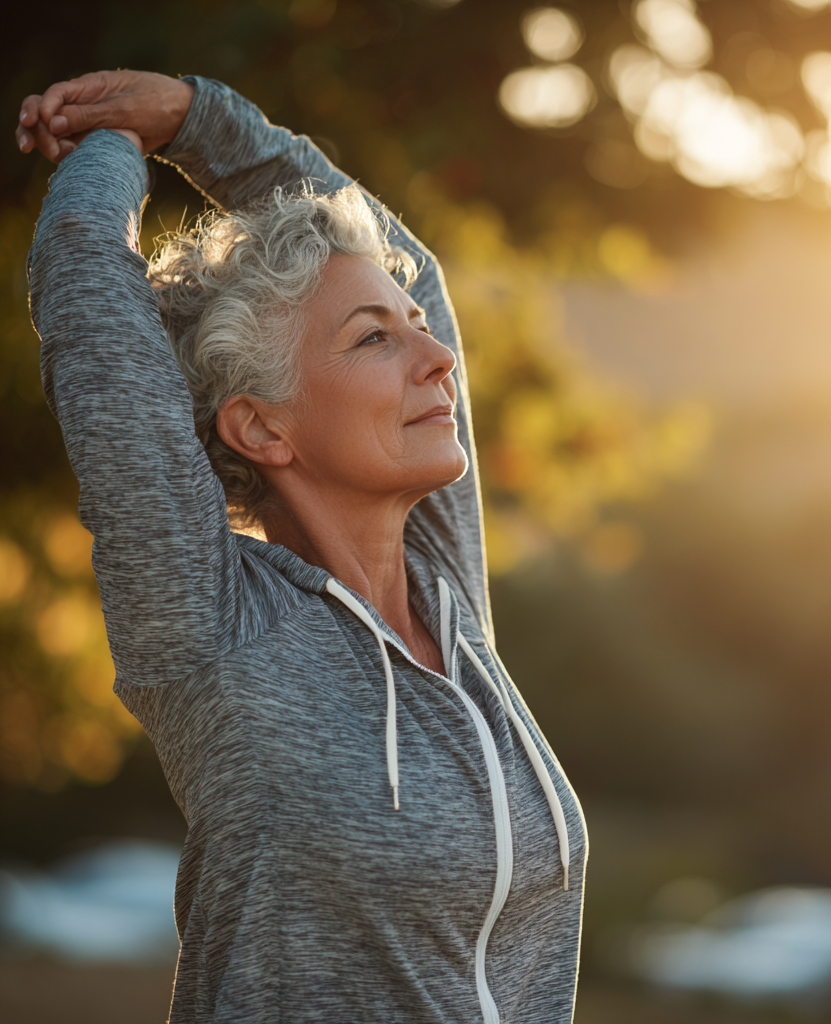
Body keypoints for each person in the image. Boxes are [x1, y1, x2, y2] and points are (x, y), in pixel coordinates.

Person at [17, 69, 587, 1024]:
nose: (437, 356)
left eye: (414, 331)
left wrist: (202, 120)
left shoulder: (447, 601)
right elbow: (86, 278)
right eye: (374, 339)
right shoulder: (213, 625)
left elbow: (417, 270)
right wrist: (112, 139)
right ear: (262, 429)